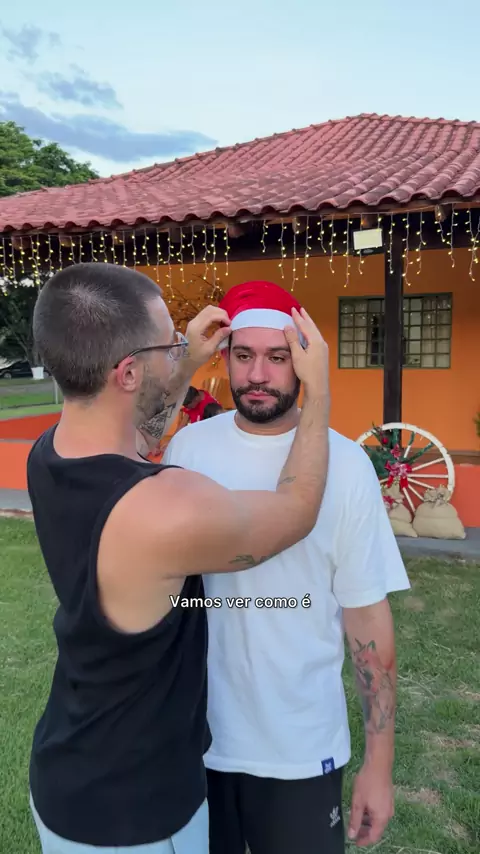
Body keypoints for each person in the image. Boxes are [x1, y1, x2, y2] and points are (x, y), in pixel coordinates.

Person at [26, 263, 330, 854]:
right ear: (128, 372)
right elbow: (296, 511)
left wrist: (184, 364)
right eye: (170, 343)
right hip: (136, 812)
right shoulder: (165, 507)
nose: (181, 348)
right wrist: (317, 393)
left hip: (71, 768)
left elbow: (137, 438)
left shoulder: (51, 453)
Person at [162, 279, 411, 854]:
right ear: (224, 357)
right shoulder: (189, 451)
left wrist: (379, 765)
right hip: (194, 742)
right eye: (244, 355)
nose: (258, 374)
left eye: (278, 357)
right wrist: (180, 366)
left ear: (303, 362)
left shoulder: (345, 465)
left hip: (301, 746)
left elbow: (367, 621)